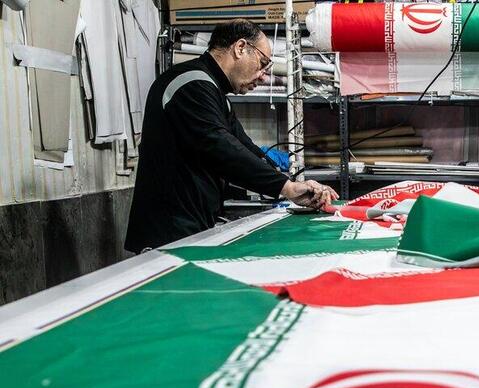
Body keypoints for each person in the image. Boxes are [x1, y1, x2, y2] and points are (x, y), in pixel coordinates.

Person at [125, 19, 337, 253]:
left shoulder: (214, 93)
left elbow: (245, 149)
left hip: (189, 223)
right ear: (240, 48)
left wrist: (295, 184)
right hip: (167, 230)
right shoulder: (191, 84)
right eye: (263, 63)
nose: (264, 76)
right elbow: (221, 148)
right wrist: (286, 187)